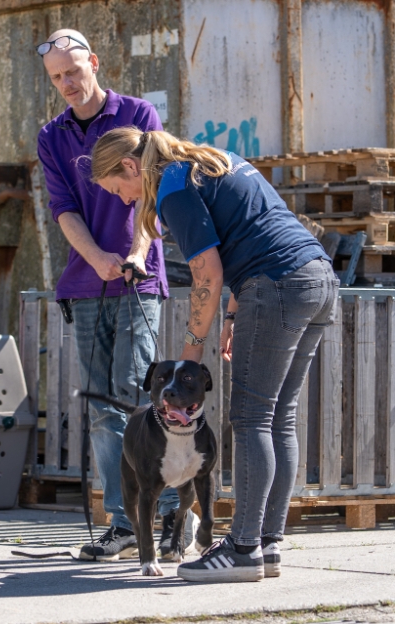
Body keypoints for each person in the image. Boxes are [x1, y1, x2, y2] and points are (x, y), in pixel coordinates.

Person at [91, 128, 338, 582]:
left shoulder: (171, 185)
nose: (125, 200)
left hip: (277, 285)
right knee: (279, 416)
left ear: (130, 167)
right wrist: (230, 315)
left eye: (118, 190)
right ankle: (267, 542)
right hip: (318, 278)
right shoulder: (214, 160)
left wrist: (188, 355)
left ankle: (243, 548)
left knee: (252, 418)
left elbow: (207, 270)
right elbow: (251, 232)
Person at [36, 29, 194, 561]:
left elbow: (152, 193)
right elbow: (64, 209)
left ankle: (169, 518)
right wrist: (95, 258)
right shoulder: (51, 136)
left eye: (73, 72)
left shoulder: (139, 115)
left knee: (137, 396)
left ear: (94, 64)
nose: (66, 85)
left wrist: (132, 254)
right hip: (85, 284)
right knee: (104, 407)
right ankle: (125, 523)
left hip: (136, 278)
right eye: (56, 77)